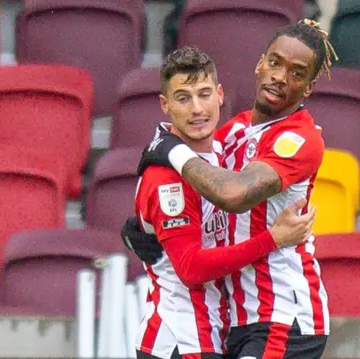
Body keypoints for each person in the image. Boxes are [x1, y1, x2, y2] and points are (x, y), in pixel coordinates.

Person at [130, 19, 338, 359]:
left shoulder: (299, 138)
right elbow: (193, 190)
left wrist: (169, 149)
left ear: (309, 87)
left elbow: (234, 195)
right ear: (260, 63)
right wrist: (144, 229)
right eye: (275, 63)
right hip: (238, 319)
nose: (280, 77)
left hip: (283, 313)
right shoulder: (235, 129)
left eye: (297, 73)